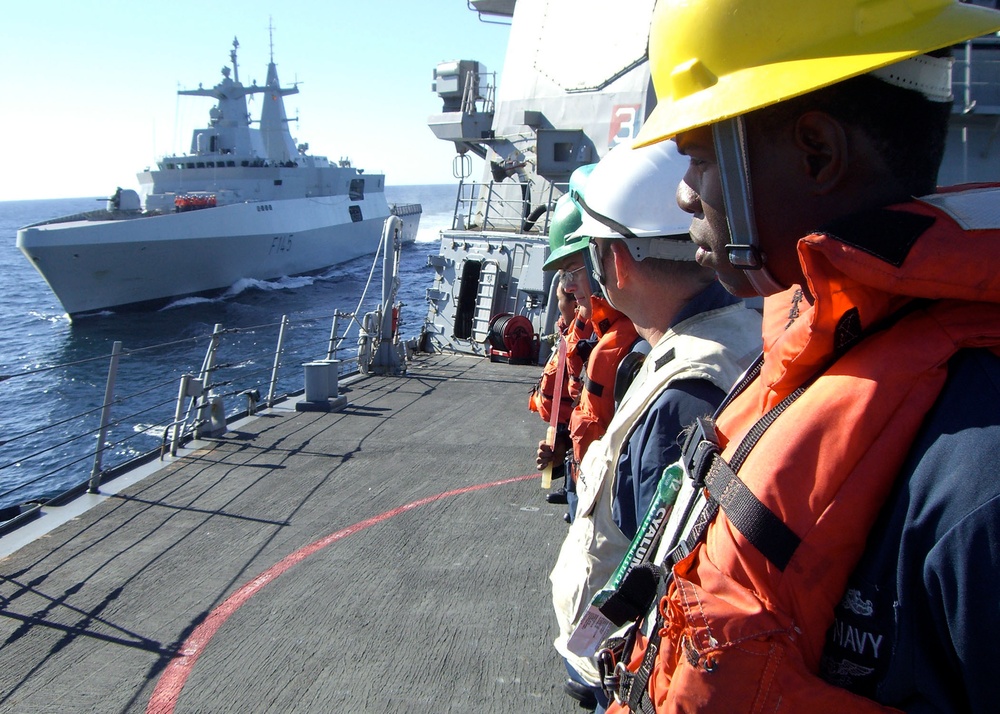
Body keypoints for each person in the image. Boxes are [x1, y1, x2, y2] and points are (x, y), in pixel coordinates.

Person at [603, 1, 1000, 712]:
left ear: (816, 151)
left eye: (699, 157)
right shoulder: (820, 343)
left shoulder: (980, 472)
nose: (686, 192)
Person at [549, 139, 761, 712]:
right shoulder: (734, 339)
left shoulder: (682, 396)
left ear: (614, 261)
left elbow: (669, 586)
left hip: (638, 678)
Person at [536, 191, 642, 523]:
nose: (567, 287)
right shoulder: (595, 332)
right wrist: (562, 449)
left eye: (572, 272)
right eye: (563, 277)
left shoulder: (635, 344)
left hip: (613, 511)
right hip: (585, 482)